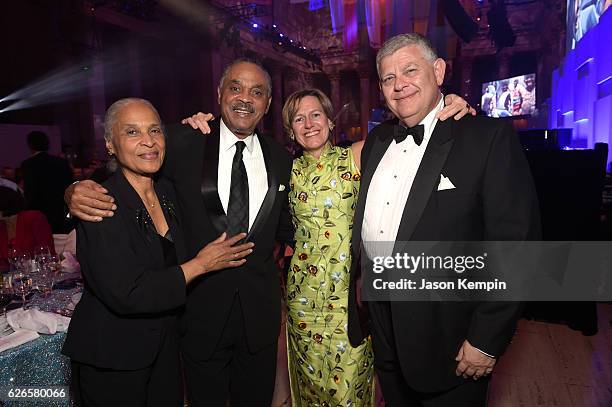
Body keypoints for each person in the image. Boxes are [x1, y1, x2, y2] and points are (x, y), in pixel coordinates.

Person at [183, 92, 474, 407]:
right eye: (298, 119)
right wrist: (198, 124)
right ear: (290, 130)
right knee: (310, 386)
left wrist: (447, 105)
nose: (308, 124)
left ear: (331, 121)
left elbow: (411, 128)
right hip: (302, 300)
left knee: (347, 388)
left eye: (316, 115)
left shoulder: (359, 156)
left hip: (349, 299)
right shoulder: (285, 170)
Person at [65, 60, 294, 407]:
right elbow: (120, 168)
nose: (245, 98)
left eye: (257, 91)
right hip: (199, 319)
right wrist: (72, 191)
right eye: (236, 87)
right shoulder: (182, 140)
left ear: (268, 102)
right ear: (219, 94)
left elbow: (287, 226)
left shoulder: (281, 158)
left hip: (259, 321)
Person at [347, 33, 540, 406]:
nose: (399, 84)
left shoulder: (486, 138)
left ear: (438, 71)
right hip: (383, 324)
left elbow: (517, 247)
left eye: (410, 70)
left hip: (450, 336)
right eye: (388, 78)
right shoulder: (376, 142)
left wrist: (487, 338)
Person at [20, 131, 74, 233]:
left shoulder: (28, 164)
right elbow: (70, 186)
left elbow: (30, 192)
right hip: (60, 210)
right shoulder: (60, 162)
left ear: (30, 145)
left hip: (39, 213)